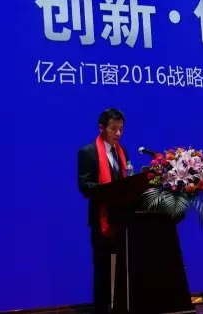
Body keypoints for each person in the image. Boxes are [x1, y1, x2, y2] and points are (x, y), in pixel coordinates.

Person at [77, 108, 129, 314]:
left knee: (122, 268)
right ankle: (102, 309)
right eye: (113, 128)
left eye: (121, 129)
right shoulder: (88, 152)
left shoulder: (122, 152)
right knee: (102, 269)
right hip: (101, 219)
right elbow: (84, 185)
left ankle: (121, 307)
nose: (118, 133)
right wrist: (108, 190)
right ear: (101, 128)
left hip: (122, 219)